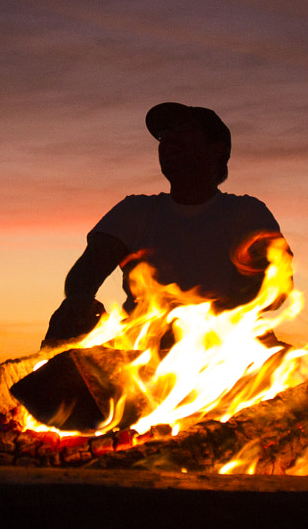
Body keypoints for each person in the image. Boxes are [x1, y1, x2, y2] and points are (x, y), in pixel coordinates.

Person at [43, 103, 285, 347]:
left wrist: (202, 324)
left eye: (185, 128)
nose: (168, 138)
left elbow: (277, 289)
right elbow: (85, 274)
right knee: (68, 315)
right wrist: (80, 302)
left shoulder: (247, 213)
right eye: (164, 134)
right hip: (144, 350)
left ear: (216, 149)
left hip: (224, 349)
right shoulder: (134, 211)